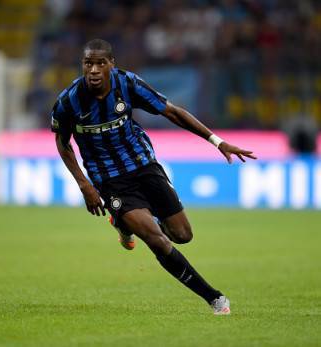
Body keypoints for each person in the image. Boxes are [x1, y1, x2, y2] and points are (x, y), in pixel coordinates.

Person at [51, 39, 256, 315]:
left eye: (101, 63)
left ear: (112, 64)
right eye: (89, 63)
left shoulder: (128, 84)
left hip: (143, 165)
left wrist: (217, 142)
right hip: (110, 181)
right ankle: (214, 298)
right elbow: (62, 143)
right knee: (157, 239)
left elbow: (172, 112)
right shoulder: (68, 101)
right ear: (83, 65)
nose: (94, 70)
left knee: (182, 235)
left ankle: (123, 223)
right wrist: (84, 184)